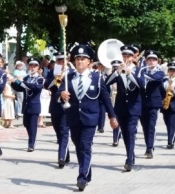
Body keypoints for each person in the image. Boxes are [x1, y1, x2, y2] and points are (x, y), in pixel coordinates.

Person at [57, 45, 118, 191]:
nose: (80, 61)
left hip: (90, 118)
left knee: (85, 146)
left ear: (89, 62)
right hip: (73, 118)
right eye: (78, 59)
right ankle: (87, 171)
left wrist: (112, 116)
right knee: (79, 147)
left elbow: (105, 98)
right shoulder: (68, 77)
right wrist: (61, 95)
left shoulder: (97, 78)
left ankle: (82, 177)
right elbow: (57, 93)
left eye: (83, 59)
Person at [106, 45, 141, 172]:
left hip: (134, 107)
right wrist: (116, 71)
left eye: (128, 56)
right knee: (125, 133)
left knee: (131, 131)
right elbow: (106, 83)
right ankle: (130, 154)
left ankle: (129, 160)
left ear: (133, 57)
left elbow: (140, 85)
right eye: (124, 56)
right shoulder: (118, 70)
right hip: (121, 107)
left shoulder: (138, 70)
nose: (126, 58)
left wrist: (129, 73)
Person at [44, 51, 71, 168]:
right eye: (59, 61)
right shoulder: (53, 72)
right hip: (55, 106)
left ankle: (61, 157)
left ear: (67, 61)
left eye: (63, 61)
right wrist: (57, 79)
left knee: (64, 131)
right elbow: (46, 85)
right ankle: (66, 152)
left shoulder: (72, 72)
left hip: (67, 106)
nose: (61, 63)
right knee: (58, 132)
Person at [11, 57, 44, 152]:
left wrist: (22, 82)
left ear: (38, 67)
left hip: (34, 105)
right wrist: (14, 81)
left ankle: (31, 144)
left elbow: (36, 88)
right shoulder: (26, 78)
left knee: (33, 125)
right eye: (31, 65)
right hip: (26, 105)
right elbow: (19, 88)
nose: (32, 68)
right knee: (26, 124)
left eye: (35, 66)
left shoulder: (40, 78)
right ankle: (32, 138)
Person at [138, 50, 164, 159]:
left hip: (154, 103)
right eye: (149, 60)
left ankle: (150, 148)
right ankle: (147, 145)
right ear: (146, 60)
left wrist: (141, 74)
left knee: (151, 125)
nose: (151, 62)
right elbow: (137, 82)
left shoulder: (160, 71)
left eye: (154, 60)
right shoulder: (142, 70)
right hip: (142, 102)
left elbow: (155, 79)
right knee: (145, 126)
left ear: (157, 61)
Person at [160, 62, 175, 149]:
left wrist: (174, 90)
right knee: (167, 123)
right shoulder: (164, 81)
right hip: (166, 105)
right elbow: (160, 92)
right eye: (170, 70)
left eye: (174, 71)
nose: (172, 72)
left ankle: (170, 142)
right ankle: (172, 137)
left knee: (172, 124)